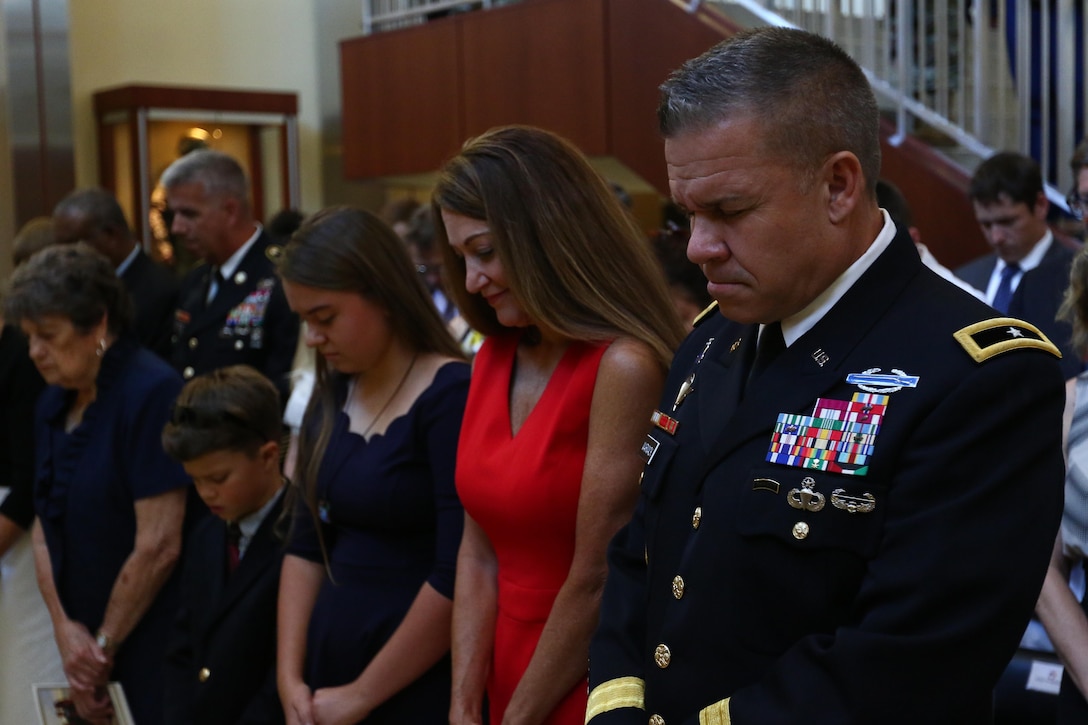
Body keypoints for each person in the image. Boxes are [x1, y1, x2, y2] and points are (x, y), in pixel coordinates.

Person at [586, 27, 1066, 725]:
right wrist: (620, 708)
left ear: (838, 185)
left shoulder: (976, 373)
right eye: (688, 214)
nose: (698, 248)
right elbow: (642, 554)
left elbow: (908, 662)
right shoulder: (711, 342)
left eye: (728, 210)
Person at [433, 125, 685, 725]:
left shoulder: (622, 366)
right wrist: (465, 703)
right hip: (500, 667)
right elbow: (477, 553)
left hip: (584, 674)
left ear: (548, 235)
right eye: (461, 257)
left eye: (486, 252)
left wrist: (517, 717)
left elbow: (598, 574)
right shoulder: (493, 357)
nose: (472, 281)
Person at [275, 206, 469, 725]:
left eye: (325, 317)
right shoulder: (332, 387)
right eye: (304, 321)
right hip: (326, 671)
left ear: (382, 295)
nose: (313, 338)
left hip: (408, 679)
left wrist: (363, 694)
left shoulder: (449, 393)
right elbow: (303, 543)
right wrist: (289, 677)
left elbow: (458, 571)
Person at [4, 244, 191, 724]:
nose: (34, 352)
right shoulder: (53, 402)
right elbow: (45, 524)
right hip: (81, 641)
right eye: (28, 337)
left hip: (149, 632)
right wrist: (66, 632)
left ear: (99, 326)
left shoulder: (151, 392)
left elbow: (159, 544)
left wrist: (102, 646)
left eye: (48, 335)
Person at [161, 365, 287, 725]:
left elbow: (283, 672)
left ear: (267, 456)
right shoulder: (207, 534)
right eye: (195, 481)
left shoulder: (301, 541)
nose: (206, 494)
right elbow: (183, 646)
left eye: (218, 478)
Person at [161, 149, 300, 401]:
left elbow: (282, 385)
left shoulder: (282, 277)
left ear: (230, 211)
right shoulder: (196, 280)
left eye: (189, 214)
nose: (177, 228)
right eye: (174, 215)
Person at [957, 151, 1081, 377]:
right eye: (986, 225)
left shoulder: (1077, 278)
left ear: (1041, 205)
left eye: (1007, 221)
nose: (997, 237)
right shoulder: (964, 280)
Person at [53, 187, 180, 359]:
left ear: (110, 235)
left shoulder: (160, 292)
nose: (66, 256)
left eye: (73, 244)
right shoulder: (83, 286)